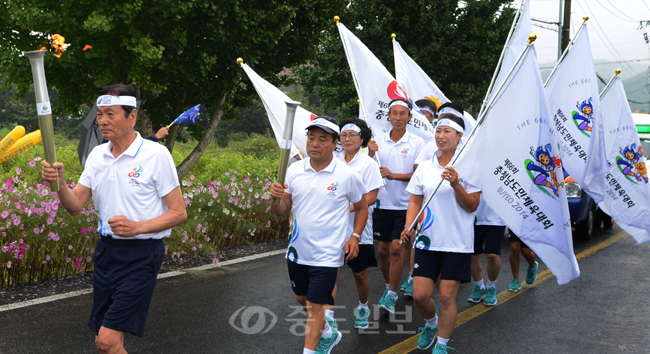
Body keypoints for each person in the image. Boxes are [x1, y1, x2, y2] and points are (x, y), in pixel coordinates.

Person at [41, 84, 187, 354]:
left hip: (142, 255)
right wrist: (60, 183)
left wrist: (136, 227)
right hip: (107, 253)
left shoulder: (156, 155)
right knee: (103, 342)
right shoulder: (98, 155)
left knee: (108, 341)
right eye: (99, 114)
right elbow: (75, 205)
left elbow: (179, 213)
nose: (102, 121)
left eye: (110, 114)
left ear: (132, 117)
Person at [270, 116, 368, 354]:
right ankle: (328, 332)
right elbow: (282, 211)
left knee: (315, 307)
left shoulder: (346, 175)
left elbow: (363, 206)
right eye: (311, 138)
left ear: (334, 143)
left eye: (322, 139)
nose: (314, 143)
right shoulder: (294, 171)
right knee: (301, 299)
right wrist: (275, 198)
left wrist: (355, 236)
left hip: (328, 253)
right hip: (297, 250)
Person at [400, 108, 481, 354]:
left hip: (457, 243)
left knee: (446, 297)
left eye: (447, 131)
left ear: (459, 136)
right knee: (420, 296)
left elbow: (472, 205)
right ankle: (431, 324)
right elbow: (415, 200)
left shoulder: (470, 166)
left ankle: (442, 346)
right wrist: (408, 226)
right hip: (427, 241)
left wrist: (456, 184)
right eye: (438, 131)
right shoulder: (425, 167)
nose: (440, 136)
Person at [367, 99, 424, 313]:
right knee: (382, 251)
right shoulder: (377, 141)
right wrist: (371, 153)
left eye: (403, 114)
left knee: (396, 248)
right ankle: (388, 287)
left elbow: (419, 175)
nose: (398, 117)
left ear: (410, 117)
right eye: (394, 113)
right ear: (388, 116)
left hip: (406, 205)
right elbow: (365, 169)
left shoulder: (417, 142)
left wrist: (393, 175)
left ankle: (391, 294)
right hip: (382, 204)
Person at [326, 118, 383, 330]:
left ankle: (363, 306)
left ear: (362, 139)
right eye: (343, 135)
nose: (347, 139)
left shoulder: (368, 164)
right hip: (334, 228)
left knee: (359, 273)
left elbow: (370, 198)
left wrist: (346, 208)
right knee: (331, 271)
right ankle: (329, 317)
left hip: (359, 229)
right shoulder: (333, 161)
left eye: (352, 135)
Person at [467, 198, 506, 306]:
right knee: (472, 256)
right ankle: (479, 286)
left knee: (493, 255)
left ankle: (490, 287)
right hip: (473, 218)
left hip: (497, 220)